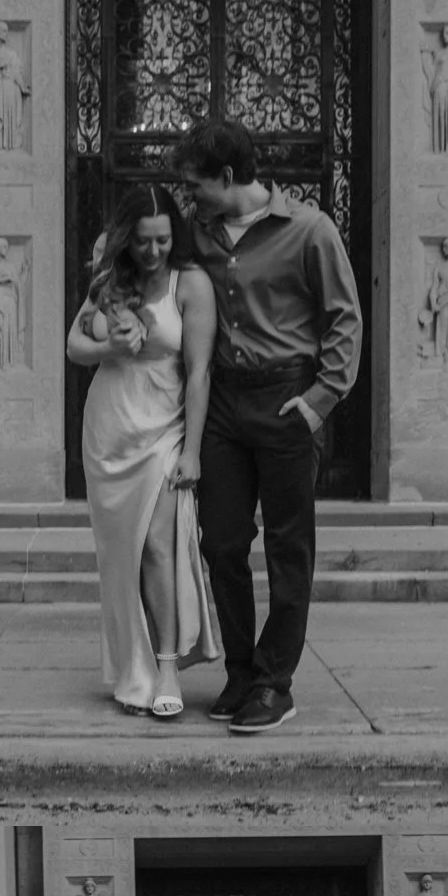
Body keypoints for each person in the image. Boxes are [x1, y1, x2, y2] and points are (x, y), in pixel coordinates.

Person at [169, 116, 362, 735]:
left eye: (195, 184)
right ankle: (241, 671)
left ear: (228, 176)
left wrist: (319, 400)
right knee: (221, 541)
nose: (188, 196)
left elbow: (344, 318)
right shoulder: (197, 233)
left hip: (286, 400)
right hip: (224, 405)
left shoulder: (310, 229)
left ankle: (275, 682)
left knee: (287, 547)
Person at [67, 181, 222, 720]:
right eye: (142, 240)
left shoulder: (191, 283)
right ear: (126, 238)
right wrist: (108, 345)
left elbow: (199, 373)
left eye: (162, 240)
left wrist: (192, 452)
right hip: (109, 430)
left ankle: (168, 666)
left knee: (157, 544)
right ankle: (134, 672)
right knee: (120, 558)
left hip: (163, 429)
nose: (153, 250)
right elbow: (75, 346)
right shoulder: (109, 280)